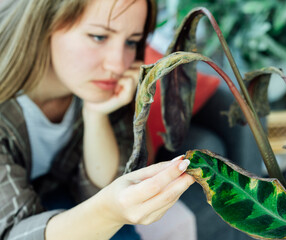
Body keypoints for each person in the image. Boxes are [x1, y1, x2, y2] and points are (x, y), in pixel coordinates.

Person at [0, 0, 195, 239]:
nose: (117, 64)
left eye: (131, 42)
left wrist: (95, 114)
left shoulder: (102, 84)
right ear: (43, 23)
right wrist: (109, 212)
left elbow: (101, 190)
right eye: (99, 37)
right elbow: (15, 233)